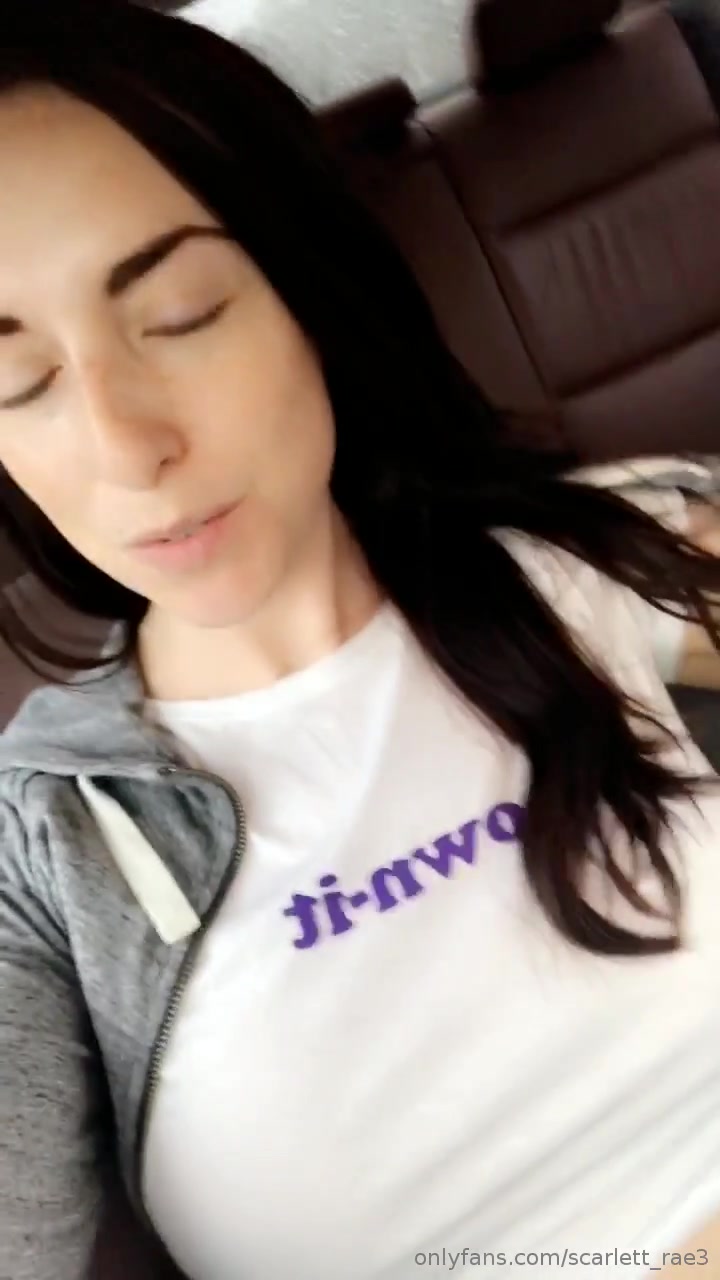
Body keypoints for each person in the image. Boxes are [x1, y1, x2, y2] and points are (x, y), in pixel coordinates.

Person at [1, 3, 720, 1279]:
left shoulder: (576, 564)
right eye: (18, 384)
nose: (125, 446)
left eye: (179, 313)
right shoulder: (48, 842)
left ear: (310, 297)